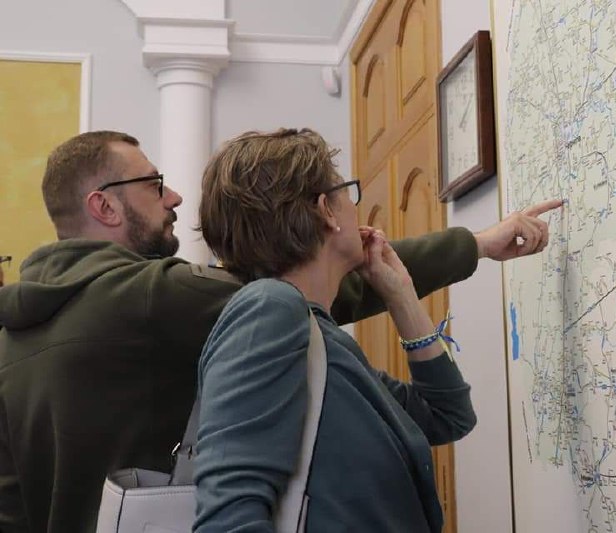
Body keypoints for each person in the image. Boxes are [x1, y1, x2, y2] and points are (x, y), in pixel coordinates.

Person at [0, 130, 561, 533]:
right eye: (154, 184)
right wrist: (474, 244)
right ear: (103, 205)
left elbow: (12, 508)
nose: (172, 197)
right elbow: (296, 281)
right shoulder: (160, 297)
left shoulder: (12, 337)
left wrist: (400, 291)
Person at [193, 128, 475, 531]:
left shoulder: (317, 339)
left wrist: (401, 296)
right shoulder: (268, 311)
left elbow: (447, 416)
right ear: (326, 210)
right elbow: (228, 521)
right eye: (348, 193)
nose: (356, 209)